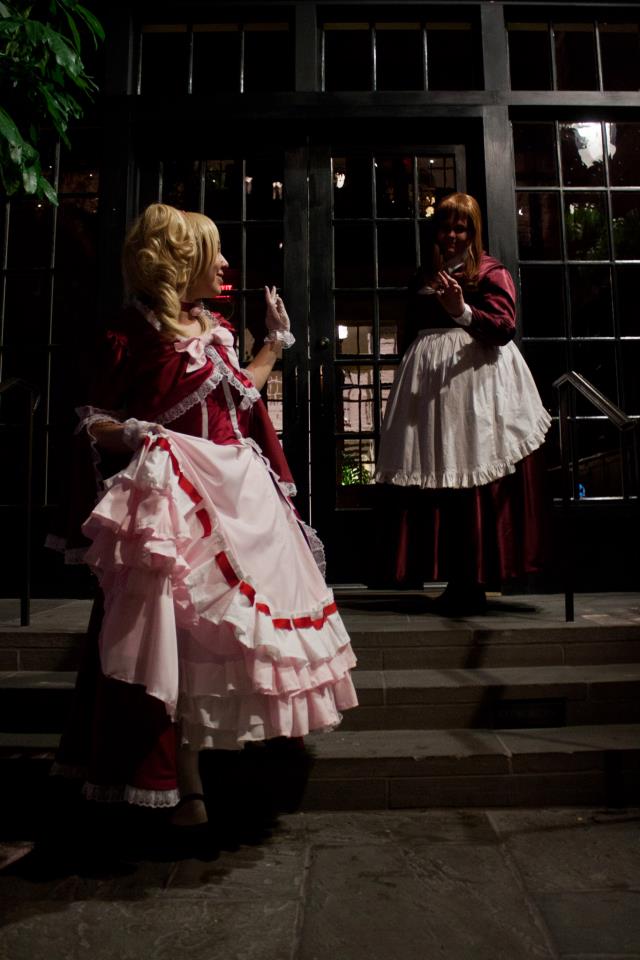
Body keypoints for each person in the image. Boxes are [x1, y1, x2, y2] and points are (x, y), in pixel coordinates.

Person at [49, 203, 358, 841]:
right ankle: (178, 782)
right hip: (173, 500)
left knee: (223, 636)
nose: (224, 263)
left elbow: (242, 396)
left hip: (234, 494)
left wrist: (275, 341)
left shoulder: (215, 328)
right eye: (212, 252)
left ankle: (208, 767)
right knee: (170, 638)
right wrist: (130, 433)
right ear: (179, 259)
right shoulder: (130, 333)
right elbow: (90, 419)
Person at [373, 192, 551, 614]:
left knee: (473, 475)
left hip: (475, 386)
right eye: (446, 227)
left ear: (473, 232)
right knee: (438, 474)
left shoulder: (490, 271)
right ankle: (453, 575)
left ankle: (474, 578)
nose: (452, 235)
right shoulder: (424, 275)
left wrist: (462, 311)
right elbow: (412, 329)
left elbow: (504, 326)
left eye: (461, 228)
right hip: (431, 391)